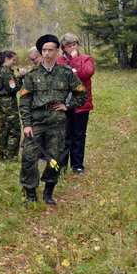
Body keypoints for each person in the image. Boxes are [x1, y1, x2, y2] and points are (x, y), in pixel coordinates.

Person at [19, 34, 87, 205]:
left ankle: (49, 190)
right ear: (41, 52)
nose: (47, 53)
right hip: (36, 121)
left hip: (57, 122)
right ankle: (30, 193)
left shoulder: (66, 73)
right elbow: (25, 100)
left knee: (55, 159)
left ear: (57, 51)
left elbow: (81, 94)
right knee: (28, 157)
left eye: (50, 50)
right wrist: (26, 124)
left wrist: (68, 105)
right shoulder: (32, 75)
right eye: (44, 50)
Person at [57, 33, 95, 175]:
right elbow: (61, 77)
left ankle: (77, 165)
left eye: (74, 44)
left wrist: (74, 60)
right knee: (64, 135)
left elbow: (86, 73)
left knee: (79, 135)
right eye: (69, 45)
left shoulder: (86, 59)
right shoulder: (59, 61)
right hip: (64, 104)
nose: (72, 47)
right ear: (63, 48)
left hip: (81, 105)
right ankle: (62, 165)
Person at [0, 50, 22, 161]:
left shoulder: (1, 70)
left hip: (3, 102)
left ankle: (4, 155)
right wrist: (20, 78)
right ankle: (11, 156)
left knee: (5, 129)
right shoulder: (6, 72)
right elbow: (13, 88)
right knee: (14, 130)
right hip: (8, 103)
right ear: (6, 59)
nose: (14, 62)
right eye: (13, 60)